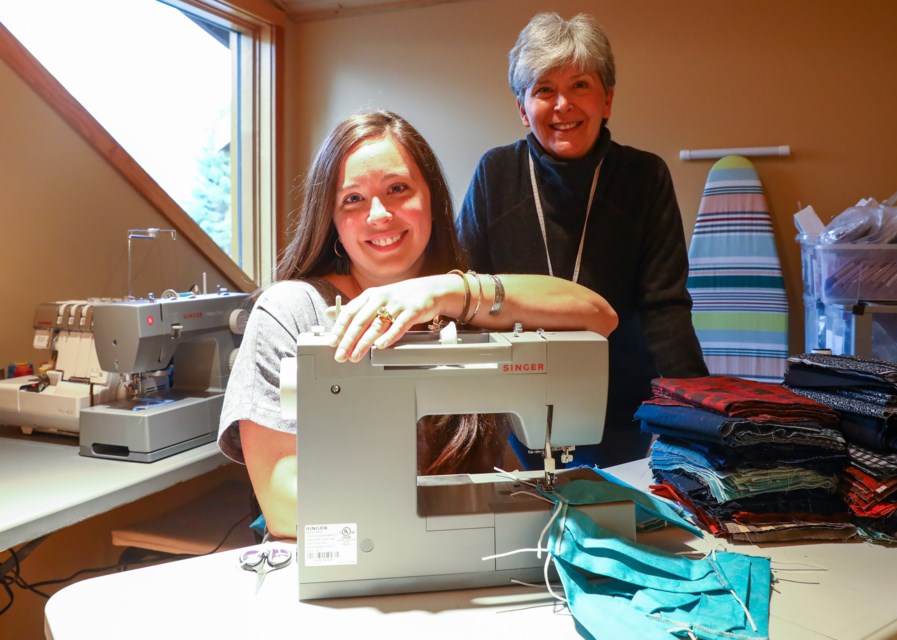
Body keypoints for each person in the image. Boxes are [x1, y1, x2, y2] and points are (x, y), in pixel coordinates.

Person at [218, 110, 618, 540]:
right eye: (352, 198)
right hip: (343, 559)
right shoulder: (293, 312)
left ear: (431, 198)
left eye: (397, 189)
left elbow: (599, 316)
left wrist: (444, 294)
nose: (379, 215)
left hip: (467, 549)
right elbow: (283, 504)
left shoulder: (467, 305)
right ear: (330, 217)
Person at [457, 12, 707, 469]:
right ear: (521, 107)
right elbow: (463, 295)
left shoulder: (645, 176)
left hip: (624, 410)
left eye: (580, 86)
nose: (562, 106)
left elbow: (665, 307)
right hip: (515, 410)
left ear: (607, 99)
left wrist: (696, 413)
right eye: (544, 90)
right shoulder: (495, 174)